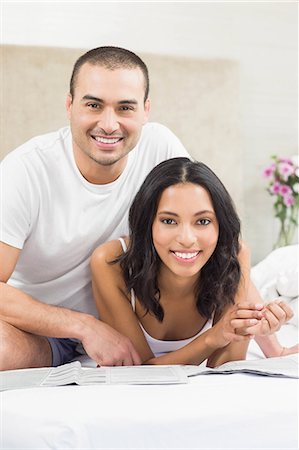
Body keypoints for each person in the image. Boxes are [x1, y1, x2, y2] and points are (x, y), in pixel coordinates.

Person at [0, 46, 191, 370]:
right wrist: (84, 327)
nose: (109, 124)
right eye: (93, 105)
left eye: (125, 108)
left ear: (146, 110)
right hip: (43, 332)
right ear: (70, 105)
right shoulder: (26, 170)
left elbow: (216, 242)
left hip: (137, 328)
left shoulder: (161, 149)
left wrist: (269, 342)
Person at [91, 157, 298, 367]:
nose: (187, 239)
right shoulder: (110, 263)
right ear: (148, 223)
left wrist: (243, 331)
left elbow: (225, 369)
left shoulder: (233, 254)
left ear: (221, 226)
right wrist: (213, 338)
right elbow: (139, 371)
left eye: (203, 221)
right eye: (169, 221)